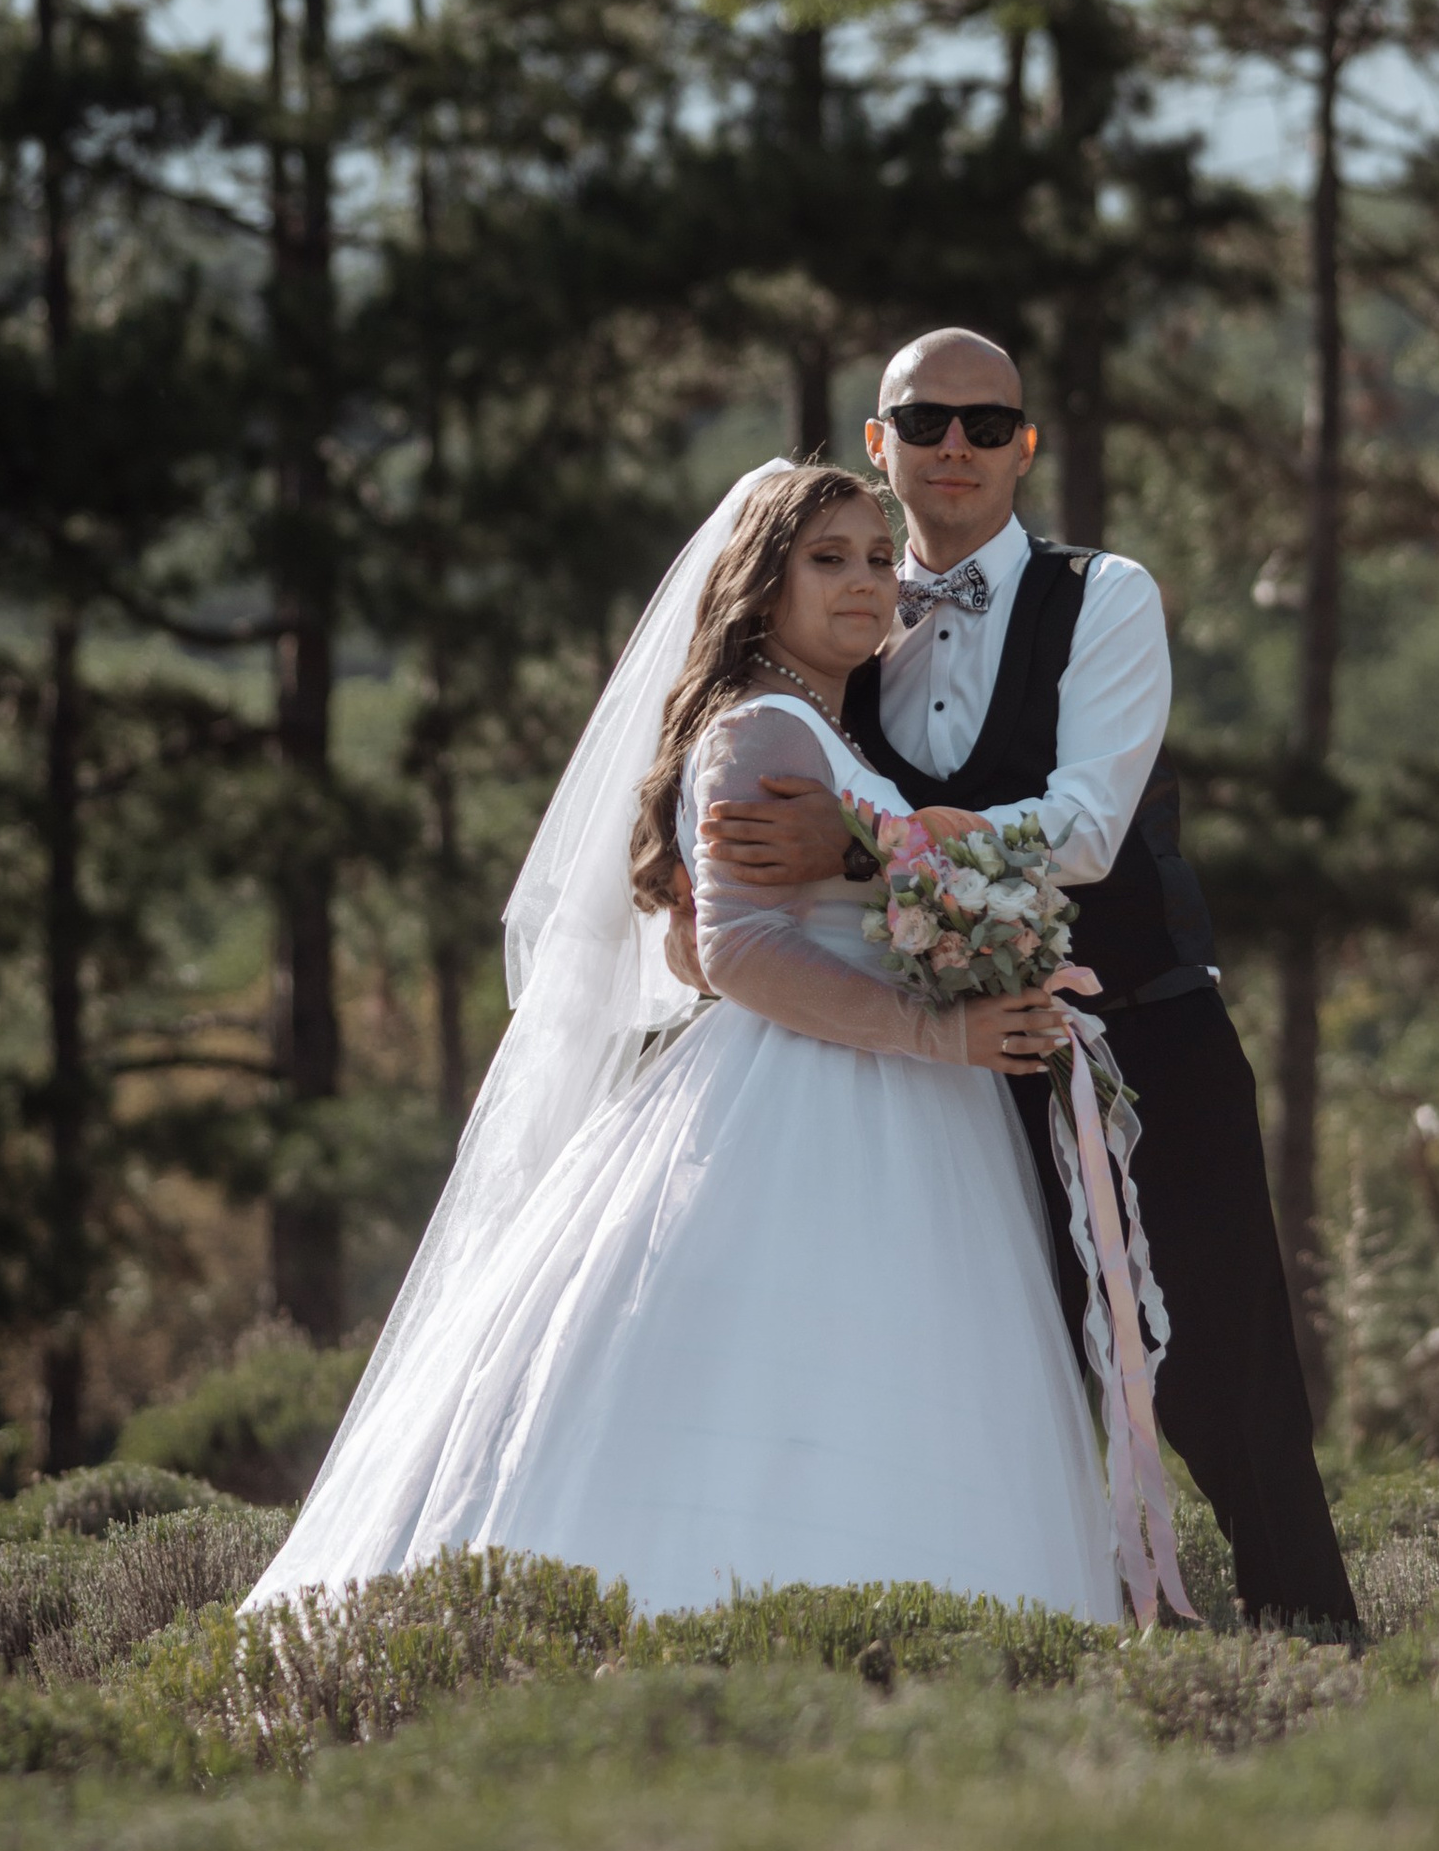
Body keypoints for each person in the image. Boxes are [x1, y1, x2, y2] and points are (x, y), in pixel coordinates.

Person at [243, 461, 1121, 1619]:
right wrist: (937, 1028)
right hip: (815, 1100)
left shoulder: (808, 727)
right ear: (761, 584)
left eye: (877, 558)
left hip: (881, 1087)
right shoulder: (765, 728)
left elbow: (694, 950)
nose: (866, 581)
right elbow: (743, 956)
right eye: (827, 559)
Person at [688, 330, 1358, 1633]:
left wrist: (864, 846)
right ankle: (1035, 1638)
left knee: (1218, 1366)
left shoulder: (1103, 595)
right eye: (923, 421)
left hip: (1142, 1040)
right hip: (943, 1074)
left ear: (1024, 448)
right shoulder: (843, 631)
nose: (955, 446)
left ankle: (1315, 1644)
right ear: (878, 442)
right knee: (992, 1378)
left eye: (986, 425)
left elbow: (1088, 828)